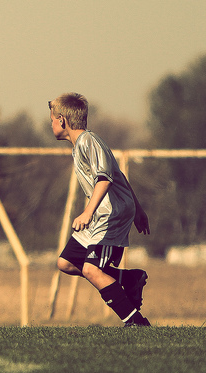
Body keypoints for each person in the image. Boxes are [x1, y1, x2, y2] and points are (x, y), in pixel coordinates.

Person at [49, 92, 151, 327]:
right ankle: (130, 278)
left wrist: (87, 212)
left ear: (62, 120)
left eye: (52, 119)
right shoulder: (80, 146)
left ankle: (135, 322)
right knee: (66, 262)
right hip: (103, 212)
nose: (51, 124)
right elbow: (118, 174)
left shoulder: (87, 141)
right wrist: (139, 209)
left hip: (109, 214)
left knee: (92, 270)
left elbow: (105, 179)